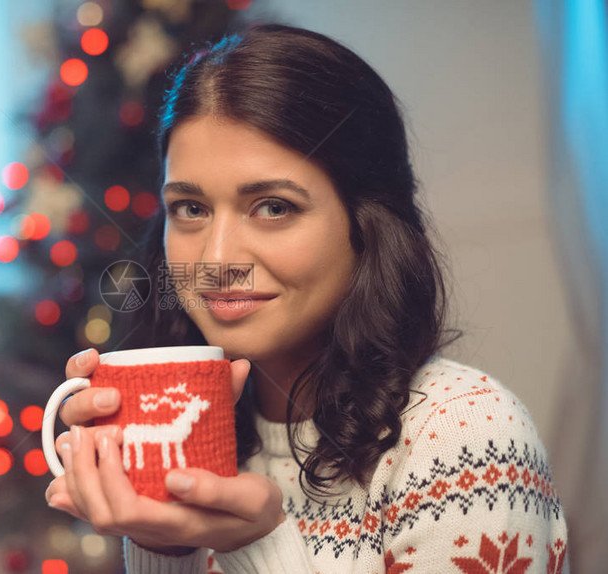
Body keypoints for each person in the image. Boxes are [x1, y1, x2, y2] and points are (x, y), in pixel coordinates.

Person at [43, 23, 570, 573]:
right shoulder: (196, 438)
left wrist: (258, 544)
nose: (217, 260)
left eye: (273, 207)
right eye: (191, 209)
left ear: (368, 224)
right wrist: (164, 542)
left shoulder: (465, 434)